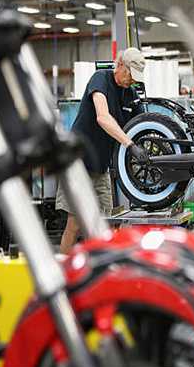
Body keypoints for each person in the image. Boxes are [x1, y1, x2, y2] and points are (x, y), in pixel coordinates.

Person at [56, 47, 148, 254]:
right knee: (75, 224)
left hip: (101, 168)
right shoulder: (101, 79)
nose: (132, 81)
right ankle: (62, 270)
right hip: (78, 164)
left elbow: (144, 124)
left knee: (107, 225)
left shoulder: (131, 93)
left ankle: (97, 268)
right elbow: (103, 117)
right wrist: (130, 145)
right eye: (130, 75)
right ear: (120, 65)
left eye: (136, 78)